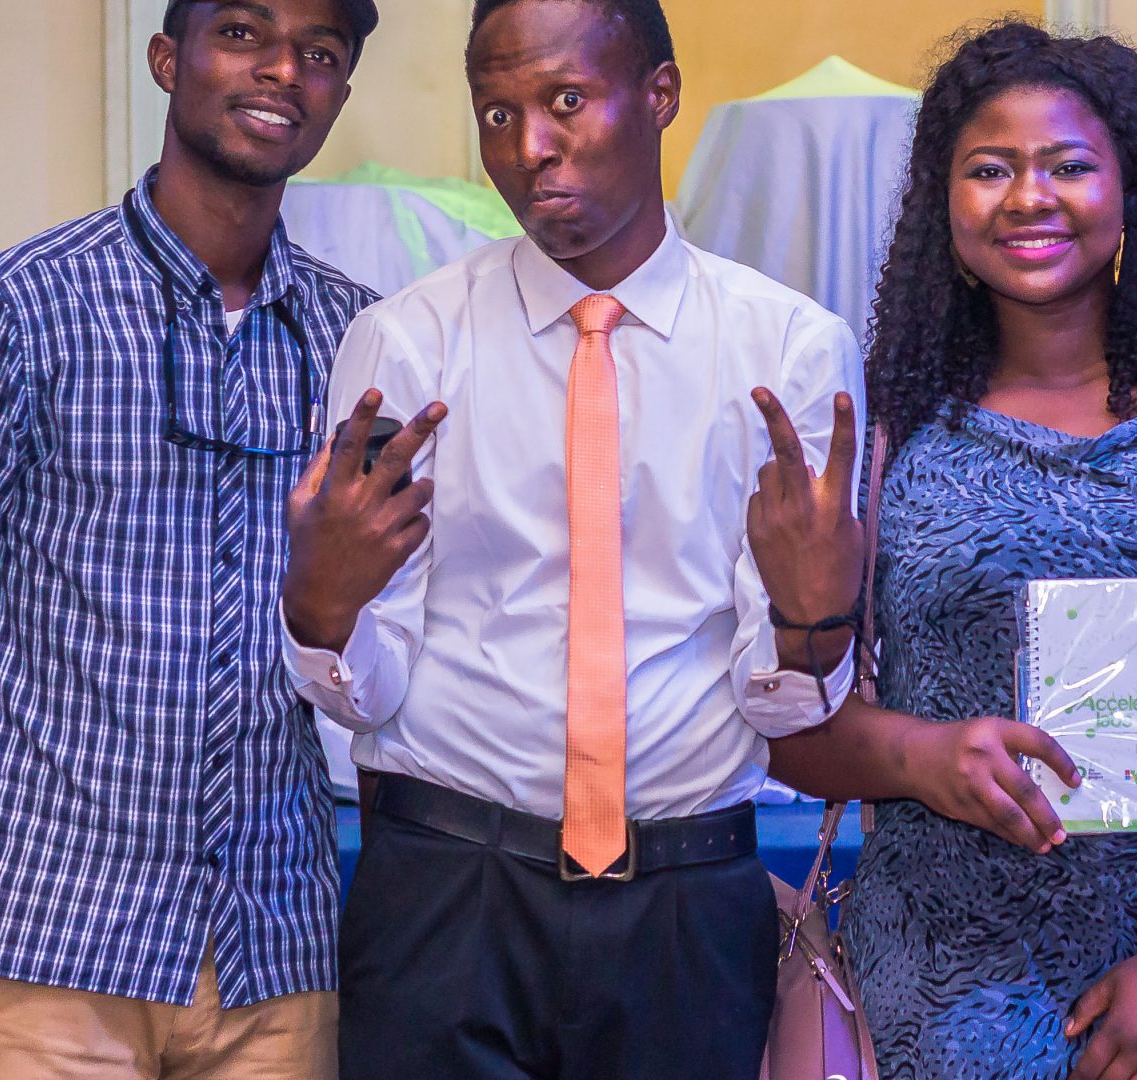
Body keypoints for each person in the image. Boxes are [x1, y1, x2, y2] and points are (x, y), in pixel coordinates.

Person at [753, 22, 1137, 1080]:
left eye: (1068, 166)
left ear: (1132, 189)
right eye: (988, 169)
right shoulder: (877, 437)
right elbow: (785, 722)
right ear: (941, 200)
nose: (1028, 197)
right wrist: (921, 758)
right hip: (938, 1011)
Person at [277, 0, 866, 1076]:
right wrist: (321, 611)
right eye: (497, 114)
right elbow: (366, 693)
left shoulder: (788, 349)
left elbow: (785, 706)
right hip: (444, 894)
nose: (527, 147)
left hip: (687, 902)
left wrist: (813, 620)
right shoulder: (407, 340)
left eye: (564, 102)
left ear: (660, 95)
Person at [0, 0, 379, 1075]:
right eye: (242, 33)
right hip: (46, 950)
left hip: (277, 958)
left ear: (338, 95)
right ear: (165, 58)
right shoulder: (17, 307)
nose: (281, 69)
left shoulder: (359, 340)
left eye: (319, 53)